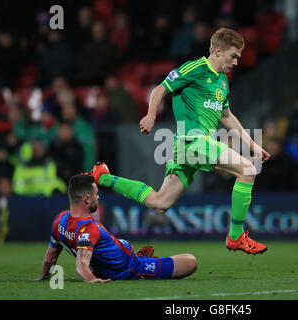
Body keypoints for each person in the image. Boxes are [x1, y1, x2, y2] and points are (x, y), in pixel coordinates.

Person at [86, 28, 270, 255]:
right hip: (193, 141)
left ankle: (104, 177)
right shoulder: (195, 68)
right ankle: (235, 236)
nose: (236, 62)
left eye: (238, 58)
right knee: (248, 170)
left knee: (159, 203)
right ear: (219, 51)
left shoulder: (222, 81)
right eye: (233, 56)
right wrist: (151, 114)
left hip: (194, 147)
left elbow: (226, 117)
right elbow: (160, 89)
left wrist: (253, 145)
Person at [39, 174, 197, 282]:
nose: (98, 197)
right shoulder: (88, 228)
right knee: (191, 262)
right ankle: (141, 258)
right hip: (133, 268)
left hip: (108, 260)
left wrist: (43, 277)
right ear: (87, 199)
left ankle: (134, 252)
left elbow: (49, 259)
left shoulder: (59, 220)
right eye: (96, 194)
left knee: (124, 244)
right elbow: (81, 264)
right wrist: (92, 280)